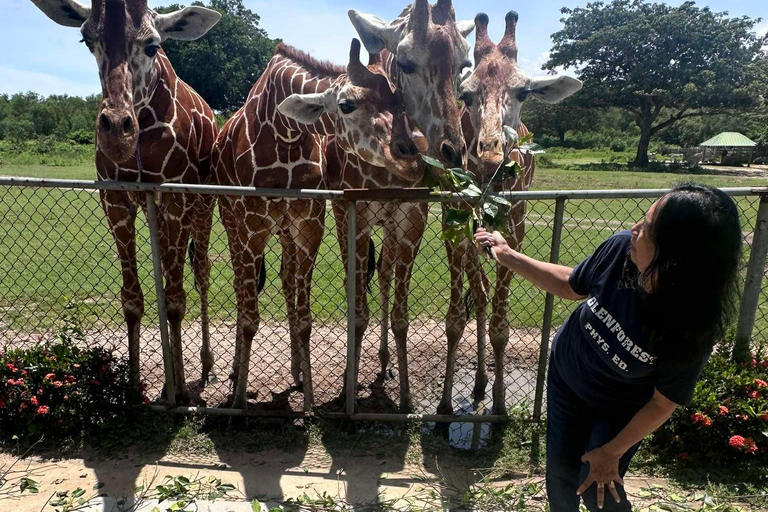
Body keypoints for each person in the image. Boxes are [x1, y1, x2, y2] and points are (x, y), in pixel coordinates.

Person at [474, 182, 742, 511]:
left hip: (621, 408)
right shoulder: (620, 251)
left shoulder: (693, 324)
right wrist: (506, 255)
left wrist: (612, 451)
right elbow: (571, 284)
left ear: (674, 257)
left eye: (647, 228)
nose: (633, 230)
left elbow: (663, 403)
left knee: (597, 489)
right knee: (561, 481)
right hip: (567, 381)